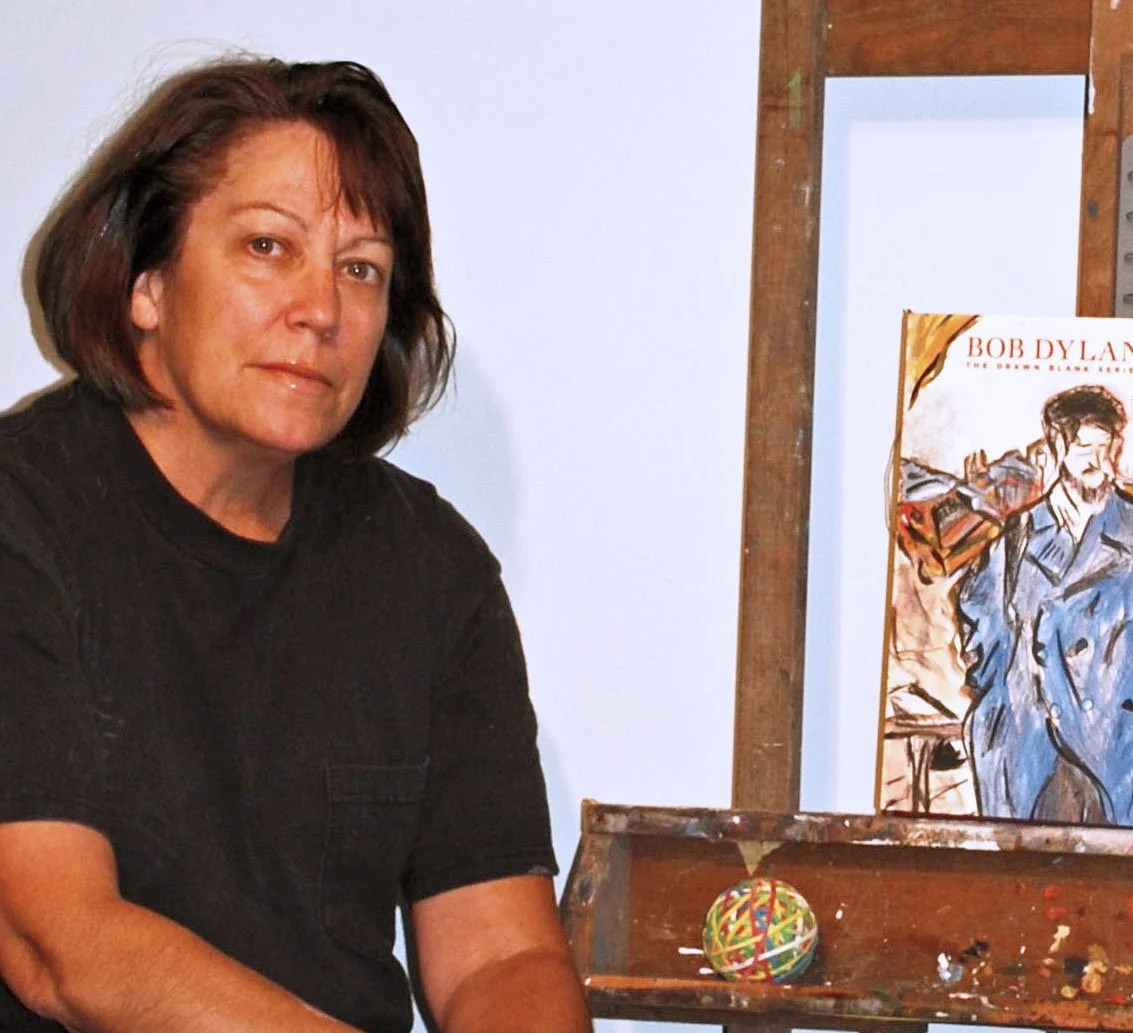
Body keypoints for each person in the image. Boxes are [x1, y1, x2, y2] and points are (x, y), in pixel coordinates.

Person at [0, 57, 592, 1033]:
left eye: (359, 268)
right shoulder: (24, 515)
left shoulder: (432, 569)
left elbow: (501, 953)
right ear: (145, 283)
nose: (321, 307)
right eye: (268, 247)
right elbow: (64, 946)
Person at [958, 384, 1133, 825]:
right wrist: (1001, 690)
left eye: (1107, 449)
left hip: (1111, 743)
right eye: (1084, 449)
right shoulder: (1018, 535)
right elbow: (978, 612)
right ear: (1057, 446)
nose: (1100, 465)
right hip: (1026, 742)